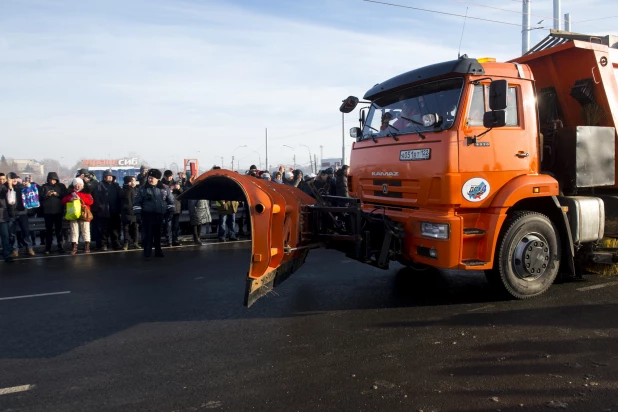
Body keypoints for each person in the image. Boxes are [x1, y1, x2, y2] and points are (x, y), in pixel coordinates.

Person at [133, 169, 175, 260]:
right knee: (148, 235)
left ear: (157, 179)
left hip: (160, 215)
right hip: (147, 216)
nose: (150, 180)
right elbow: (136, 203)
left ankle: (158, 251)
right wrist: (138, 214)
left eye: (152, 178)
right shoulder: (142, 189)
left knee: (158, 235)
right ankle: (147, 253)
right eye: (149, 178)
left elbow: (170, 201)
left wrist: (171, 212)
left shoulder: (164, 188)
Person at [61, 178, 93, 254]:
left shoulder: (86, 192)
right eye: (76, 184)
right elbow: (63, 201)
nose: (78, 186)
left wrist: (81, 199)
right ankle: (74, 246)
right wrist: (70, 199)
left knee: (85, 230)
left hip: (84, 213)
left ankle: (87, 245)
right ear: (74, 185)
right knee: (74, 230)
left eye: (80, 184)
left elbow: (91, 201)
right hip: (73, 214)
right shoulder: (70, 192)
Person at [6, 172, 35, 257]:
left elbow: (33, 192)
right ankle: (15, 250)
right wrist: (9, 187)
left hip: (22, 212)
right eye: (12, 178)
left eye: (15, 178)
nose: (14, 180)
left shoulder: (22, 187)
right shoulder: (6, 188)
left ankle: (29, 248)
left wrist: (30, 185)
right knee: (12, 234)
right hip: (11, 213)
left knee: (26, 231)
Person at [92, 170, 122, 251]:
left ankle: (116, 243)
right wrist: (100, 206)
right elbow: (96, 197)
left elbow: (120, 196)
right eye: (108, 176)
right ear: (104, 177)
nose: (110, 178)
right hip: (103, 211)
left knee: (115, 229)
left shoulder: (116, 185)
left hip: (114, 211)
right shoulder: (99, 185)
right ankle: (104, 244)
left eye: (111, 176)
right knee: (103, 229)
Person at [40, 172, 67, 254]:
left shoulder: (61, 186)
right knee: (48, 231)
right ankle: (48, 247)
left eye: (54, 180)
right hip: (48, 212)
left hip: (58, 211)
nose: (52, 181)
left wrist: (57, 194)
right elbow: (40, 198)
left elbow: (64, 196)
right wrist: (47, 195)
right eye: (50, 180)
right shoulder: (44, 187)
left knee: (59, 230)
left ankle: (60, 246)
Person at [187, 175, 211, 245]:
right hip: (195, 207)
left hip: (201, 207)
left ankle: (198, 237)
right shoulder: (191, 189)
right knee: (195, 223)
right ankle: (196, 238)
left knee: (199, 223)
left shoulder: (202, 190)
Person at [0, 175, 16, 262]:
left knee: (5, 236)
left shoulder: (5, 188)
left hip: (3, 217)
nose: (1, 181)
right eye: (0, 179)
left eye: (3, 179)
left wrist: (10, 186)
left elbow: (11, 200)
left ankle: (7, 254)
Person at [120, 176, 139, 250]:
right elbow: (125, 197)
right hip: (126, 212)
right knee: (126, 228)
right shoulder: (124, 190)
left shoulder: (136, 189)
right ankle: (126, 243)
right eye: (132, 181)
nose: (134, 182)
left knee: (135, 228)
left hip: (135, 211)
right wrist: (128, 187)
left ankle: (135, 242)